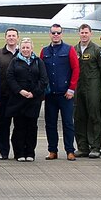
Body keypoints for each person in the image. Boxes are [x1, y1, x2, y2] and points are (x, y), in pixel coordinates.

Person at [40, 24, 81, 160]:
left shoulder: (69, 50)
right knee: (50, 124)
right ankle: (52, 150)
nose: (56, 35)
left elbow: (76, 69)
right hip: (50, 94)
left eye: (58, 33)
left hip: (65, 94)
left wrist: (71, 88)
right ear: (50, 34)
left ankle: (70, 150)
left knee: (68, 123)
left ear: (61, 34)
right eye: (53, 33)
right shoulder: (44, 51)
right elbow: (41, 71)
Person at [2, 36, 45, 161]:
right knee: (19, 127)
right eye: (24, 47)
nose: (26, 50)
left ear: (32, 48)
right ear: (20, 48)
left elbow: (43, 79)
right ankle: (19, 153)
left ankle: (30, 152)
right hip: (18, 99)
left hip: (33, 100)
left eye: (28, 47)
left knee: (32, 126)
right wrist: (20, 91)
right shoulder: (15, 61)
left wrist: (34, 93)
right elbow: (9, 77)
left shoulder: (38, 61)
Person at [74, 24, 101, 158]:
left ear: (90, 34)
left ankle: (95, 147)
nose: (84, 35)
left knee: (94, 116)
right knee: (79, 116)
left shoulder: (98, 50)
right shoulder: (74, 50)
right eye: (82, 32)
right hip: (78, 87)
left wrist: (98, 85)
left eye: (86, 32)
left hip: (93, 86)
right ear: (79, 34)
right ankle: (82, 147)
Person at [0, 28, 22, 159]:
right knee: (3, 125)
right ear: (5, 37)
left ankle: (18, 151)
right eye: (9, 36)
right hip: (3, 96)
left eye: (13, 36)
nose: (11, 38)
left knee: (19, 126)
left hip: (19, 97)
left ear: (17, 37)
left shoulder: (24, 52)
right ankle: (3, 152)